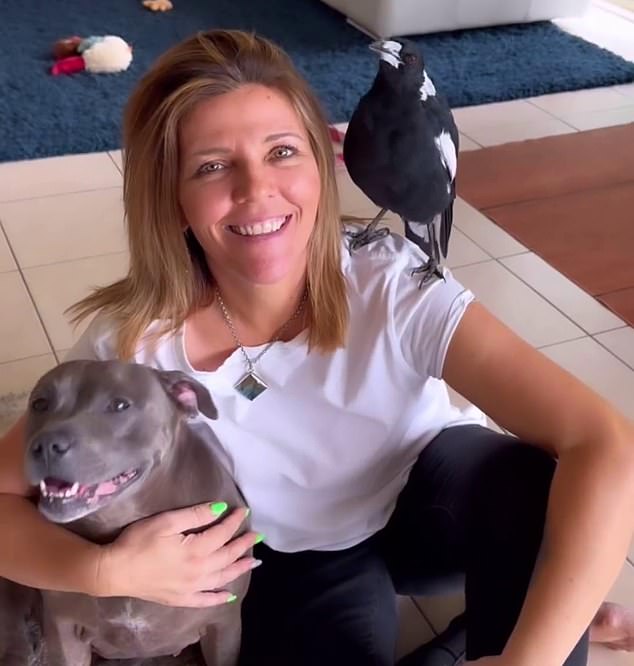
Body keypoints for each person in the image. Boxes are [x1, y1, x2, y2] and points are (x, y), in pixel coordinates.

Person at [0, 29, 633, 666]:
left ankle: (539, 623)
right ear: (173, 199)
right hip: (293, 559)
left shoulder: (389, 281)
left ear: (322, 163)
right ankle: (469, 639)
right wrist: (105, 572)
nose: (256, 188)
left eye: (281, 151)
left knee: (523, 481)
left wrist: (536, 656)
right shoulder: (133, 346)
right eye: (213, 166)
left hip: (430, 508)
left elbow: (603, 442)